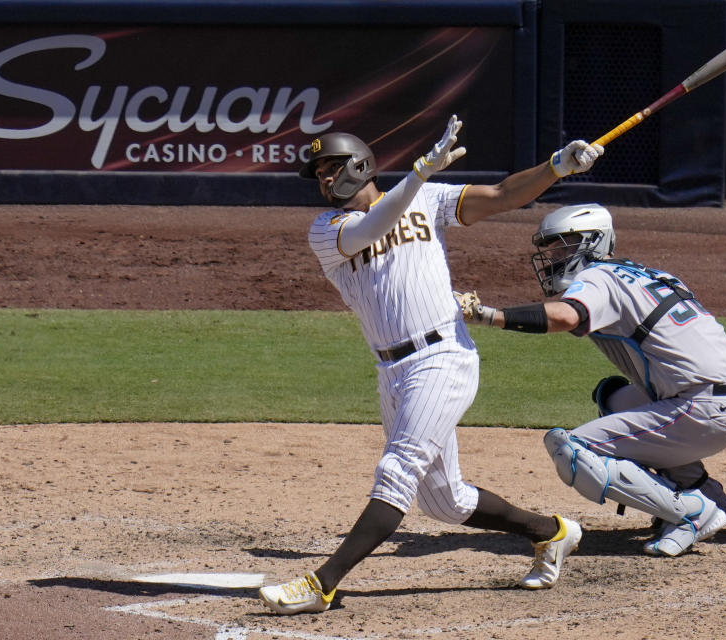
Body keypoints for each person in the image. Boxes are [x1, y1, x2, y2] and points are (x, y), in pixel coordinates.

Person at [257, 115, 604, 615]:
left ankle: (323, 584)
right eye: (318, 175)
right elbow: (376, 223)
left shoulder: (427, 197)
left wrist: (556, 168)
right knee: (445, 501)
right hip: (391, 373)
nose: (325, 181)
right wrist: (417, 173)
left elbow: (504, 194)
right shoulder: (326, 230)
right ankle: (550, 533)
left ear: (360, 164)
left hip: (443, 358)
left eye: (331, 168)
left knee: (396, 471)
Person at [456, 203, 726, 557]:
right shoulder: (645, 273)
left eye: (562, 245)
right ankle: (706, 493)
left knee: (572, 449)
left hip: (701, 408)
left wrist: (488, 315)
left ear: (592, 243)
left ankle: (691, 513)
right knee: (612, 396)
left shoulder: (597, 277)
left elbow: (568, 316)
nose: (553, 257)